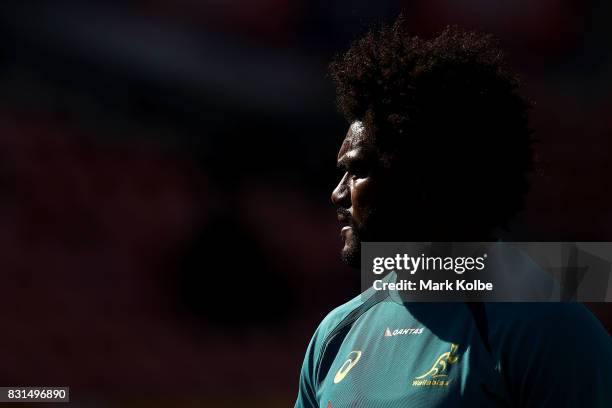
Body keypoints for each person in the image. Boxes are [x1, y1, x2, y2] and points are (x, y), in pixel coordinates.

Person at [295, 16, 612, 407]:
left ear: (424, 178)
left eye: (358, 171)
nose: (337, 194)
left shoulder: (548, 331)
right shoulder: (334, 336)